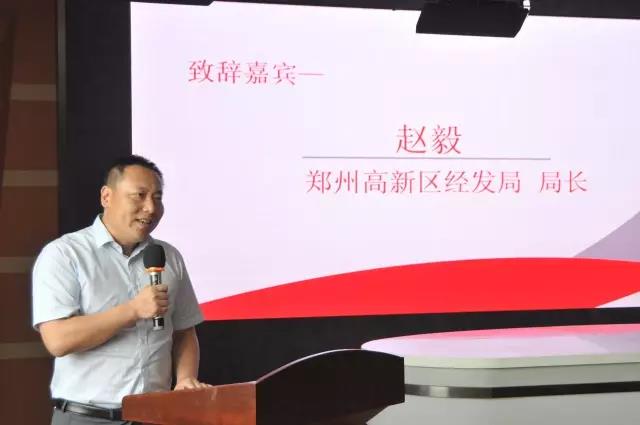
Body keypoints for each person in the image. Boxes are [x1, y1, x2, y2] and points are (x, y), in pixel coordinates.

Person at [32, 155, 208, 425]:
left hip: (155, 416)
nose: (150, 208)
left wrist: (185, 378)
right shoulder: (65, 254)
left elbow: (184, 331)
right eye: (139, 195)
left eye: (157, 198)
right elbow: (57, 339)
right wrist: (133, 310)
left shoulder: (168, 257)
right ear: (107, 196)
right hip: (87, 417)